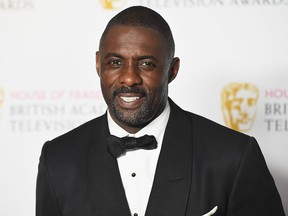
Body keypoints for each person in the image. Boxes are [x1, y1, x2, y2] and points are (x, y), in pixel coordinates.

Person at [36, 6, 285, 216]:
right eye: (115, 62)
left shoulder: (233, 156)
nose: (129, 78)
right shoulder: (58, 159)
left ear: (172, 70)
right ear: (98, 65)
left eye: (146, 64)